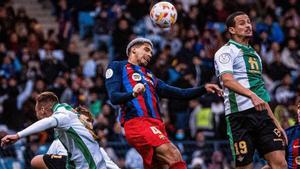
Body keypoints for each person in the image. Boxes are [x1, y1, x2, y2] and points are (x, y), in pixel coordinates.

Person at [105, 37, 222, 169]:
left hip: (157, 125)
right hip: (137, 122)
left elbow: (180, 93)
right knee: (173, 154)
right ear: (133, 50)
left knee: (163, 165)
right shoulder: (118, 66)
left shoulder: (150, 76)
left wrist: (203, 88)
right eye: (146, 50)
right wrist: (133, 94)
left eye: (151, 52)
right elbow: (113, 97)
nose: (149, 54)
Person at [214, 11, 287, 169]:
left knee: (280, 164)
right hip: (239, 117)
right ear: (232, 30)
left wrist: (276, 122)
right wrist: (251, 95)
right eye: (242, 23)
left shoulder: (255, 55)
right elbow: (227, 80)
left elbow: (260, 92)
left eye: (248, 22)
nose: (248, 25)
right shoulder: (225, 52)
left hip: (262, 116)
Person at [1, 91, 107, 169]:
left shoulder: (62, 115)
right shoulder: (66, 110)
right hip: (83, 162)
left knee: (36, 161)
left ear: (42, 110)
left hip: (89, 164)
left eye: (36, 111)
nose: (36, 115)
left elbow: (49, 122)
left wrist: (18, 135)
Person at [30, 106, 120, 169]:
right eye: (82, 121)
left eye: (88, 122)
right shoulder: (58, 142)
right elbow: (46, 164)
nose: (85, 125)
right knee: (36, 160)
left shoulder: (98, 150)